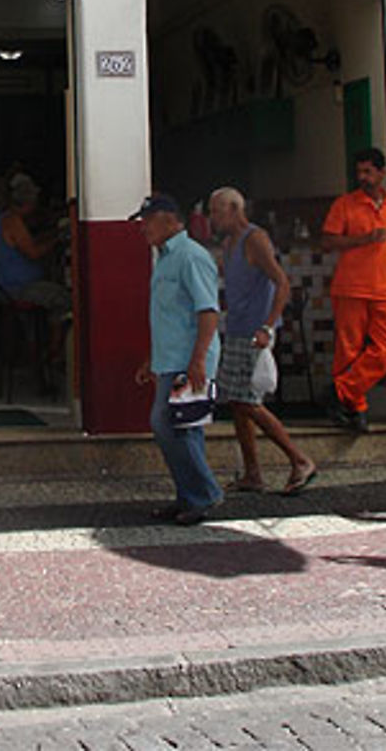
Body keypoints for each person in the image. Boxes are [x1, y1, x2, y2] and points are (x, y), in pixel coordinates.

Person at [209, 187, 317, 495]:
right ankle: (253, 473)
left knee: (247, 400)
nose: (212, 219)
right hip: (238, 328)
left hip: (254, 333)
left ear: (233, 209)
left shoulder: (255, 239)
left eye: (216, 212)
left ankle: (299, 459)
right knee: (236, 400)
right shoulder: (229, 244)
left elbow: (281, 282)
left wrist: (268, 326)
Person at [132, 193, 224, 526]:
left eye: (148, 221)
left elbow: (208, 311)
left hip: (188, 361)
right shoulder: (166, 258)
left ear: (170, 220)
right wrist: (151, 358)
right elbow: (168, 316)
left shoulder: (190, 257)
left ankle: (204, 493)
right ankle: (189, 497)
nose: (143, 228)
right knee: (183, 428)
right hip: (170, 359)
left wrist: (198, 361)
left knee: (170, 425)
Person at [322, 147, 386, 433]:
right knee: (348, 350)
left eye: (368, 172)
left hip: (385, 290)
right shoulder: (344, 205)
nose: (362, 177)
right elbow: (328, 241)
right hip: (351, 288)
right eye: (359, 172)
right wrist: (365, 239)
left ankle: (339, 392)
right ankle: (354, 409)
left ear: (381, 173)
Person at [0, 173, 70, 378]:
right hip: (18, 287)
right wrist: (58, 239)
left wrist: (49, 236)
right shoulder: (13, 221)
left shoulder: (3, 220)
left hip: (10, 285)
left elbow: (28, 242)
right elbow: (33, 252)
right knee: (66, 300)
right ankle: (53, 353)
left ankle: (42, 353)